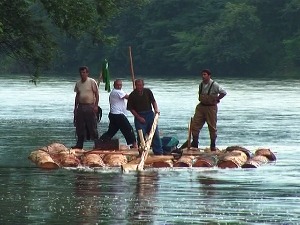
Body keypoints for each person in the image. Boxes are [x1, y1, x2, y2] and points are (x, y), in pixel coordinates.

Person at [191, 69, 227, 151]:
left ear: (209, 75)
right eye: (202, 75)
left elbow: (224, 92)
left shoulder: (214, 85)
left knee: (212, 127)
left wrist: (217, 99)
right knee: (195, 125)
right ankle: (195, 144)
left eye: (205, 74)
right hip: (201, 106)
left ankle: (213, 146)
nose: (203, 76)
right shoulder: (201, 84)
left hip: (211, 107)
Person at [127, 79, 163, 155]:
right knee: (141, 135)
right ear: (135, 86)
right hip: (139, 115)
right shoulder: (132, 95)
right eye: (138, 85)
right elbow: (131, 109)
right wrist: (139, 117)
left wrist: (156, 110)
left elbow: (153, 101)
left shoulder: (148, 92)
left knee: (154, 133)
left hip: (150, 114)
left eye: (141, 85)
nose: (139, 87)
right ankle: (142, 152)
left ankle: (158, 152)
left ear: (143, 85)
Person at [99, 79, 138, 148]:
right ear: (114, 85)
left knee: (112, 131)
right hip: (118, 115)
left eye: (120, 85)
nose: (119, 86)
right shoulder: (116, 92)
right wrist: (135, 93)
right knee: (128, 129)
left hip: (113, 114)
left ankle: (101, 141)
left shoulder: (120, 91)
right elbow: (129, 97)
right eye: (117, 85)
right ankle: (134, 145)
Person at [72, 66, 99, 149]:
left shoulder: (91, 81)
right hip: (81, 106)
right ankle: (79, 145)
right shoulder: (78, 83)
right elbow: (77, 96)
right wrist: (75, 108)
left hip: (90, 106)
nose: (82, 74)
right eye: (81, 72)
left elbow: (97, 94)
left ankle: (97, 144)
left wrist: (96, 106)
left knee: (92, 126)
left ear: (87, 73)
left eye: (84, 72)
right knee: (79, 126)